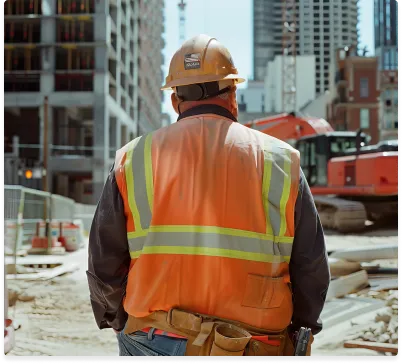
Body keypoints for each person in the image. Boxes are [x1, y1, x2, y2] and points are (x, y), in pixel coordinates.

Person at [87, 34, 330, 357]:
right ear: (233, 95)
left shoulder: (133, 158)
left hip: (155, 337)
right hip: (254, 341)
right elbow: (310, 265)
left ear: (175, 101)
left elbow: (104, 258)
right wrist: (301, 329)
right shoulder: (282, 160)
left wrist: (116, 319)